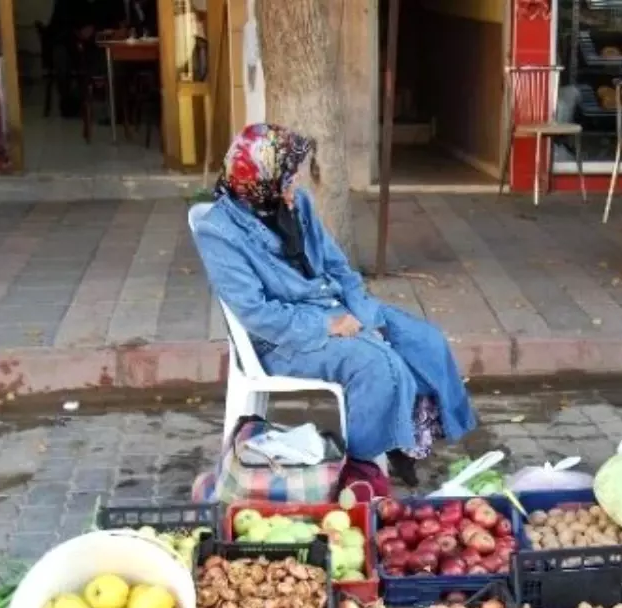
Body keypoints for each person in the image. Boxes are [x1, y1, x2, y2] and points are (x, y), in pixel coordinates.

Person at [193, 123, 478, 485]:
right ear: (260, 183)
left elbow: (335, 265)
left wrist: (363, 312)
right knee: (380, 366)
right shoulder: (219, 231)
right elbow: (256, 313)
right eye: (287, 176)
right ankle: (359, 466)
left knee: (425, 341)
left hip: (333, 305)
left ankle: (402, 440)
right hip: (284, 338)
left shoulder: (295, 204)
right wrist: (328, 325)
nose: (294, 183)